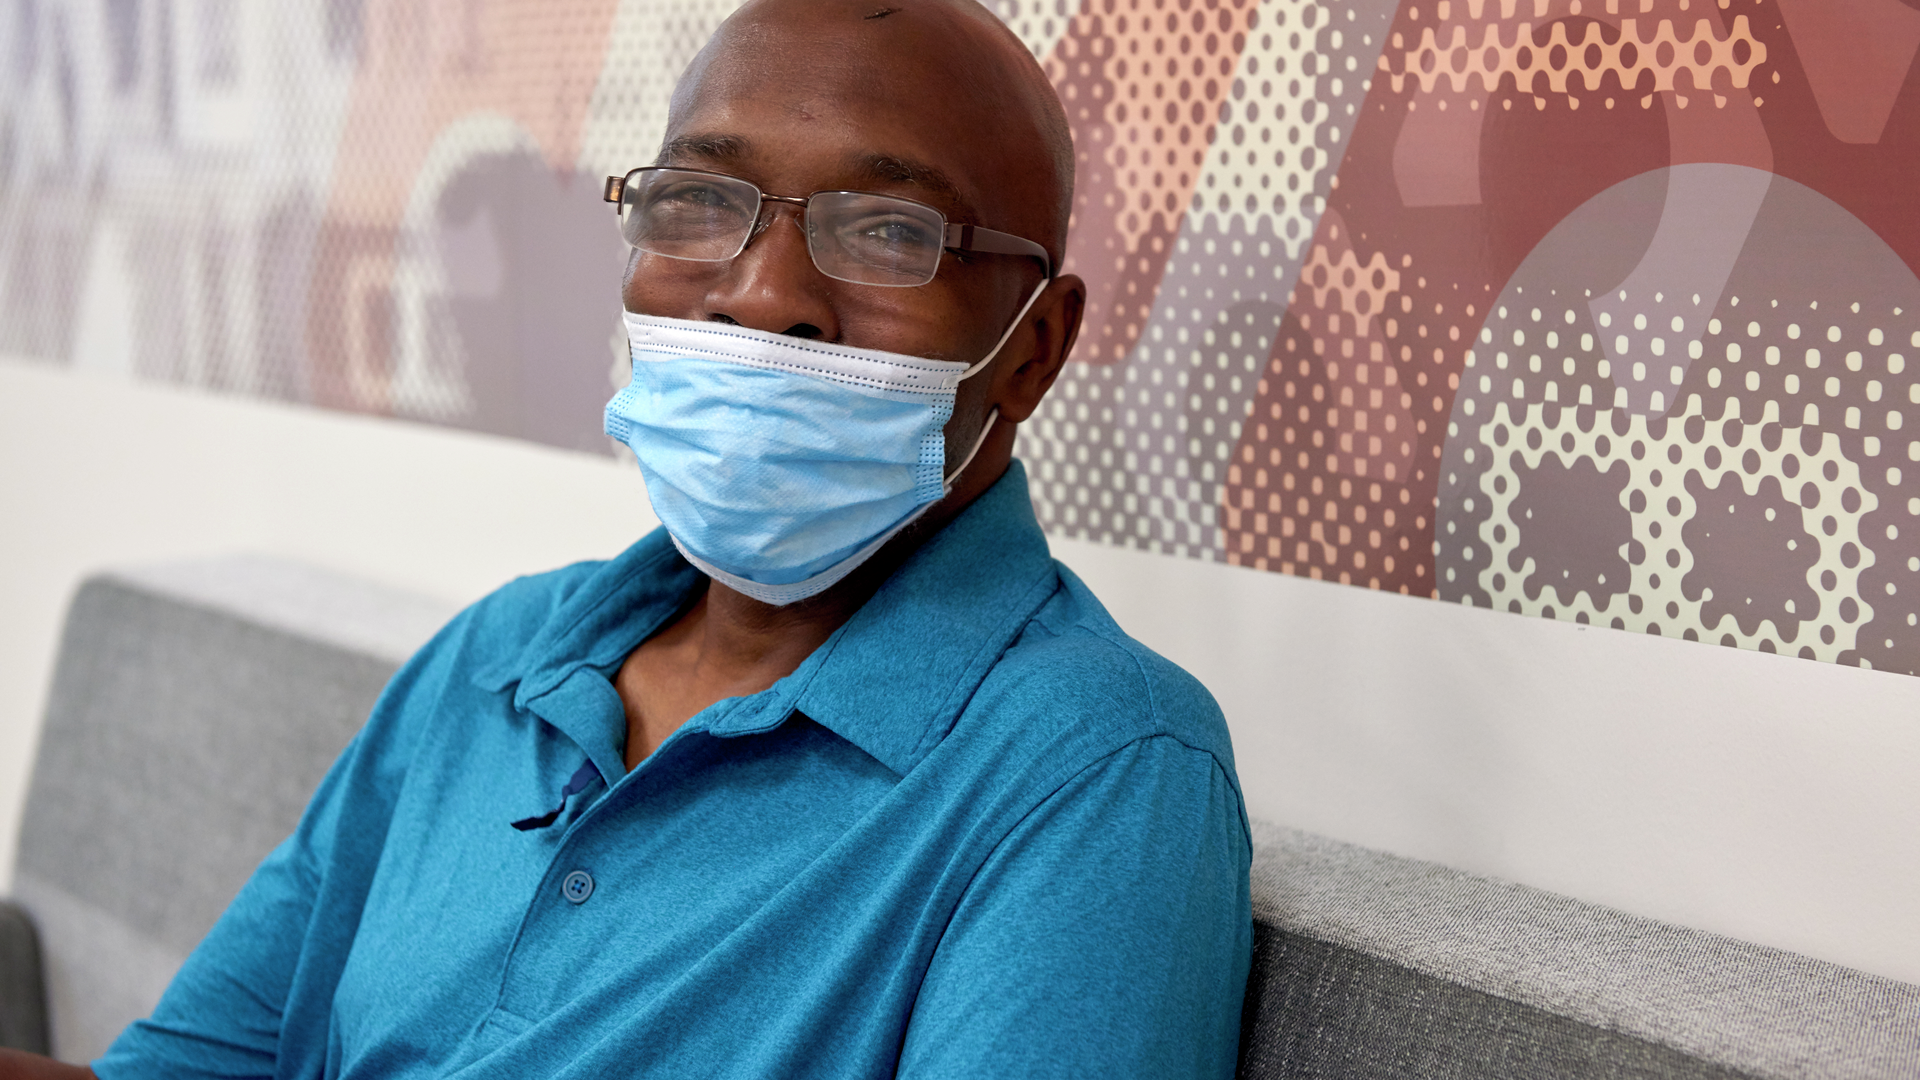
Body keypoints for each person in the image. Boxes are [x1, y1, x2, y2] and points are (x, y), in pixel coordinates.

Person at [0, 1, 1251, 1076]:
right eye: (702, 202)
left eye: (886, 231)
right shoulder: (498, 658)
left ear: (1033, 345)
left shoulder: (1095, 772)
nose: (764, 293)